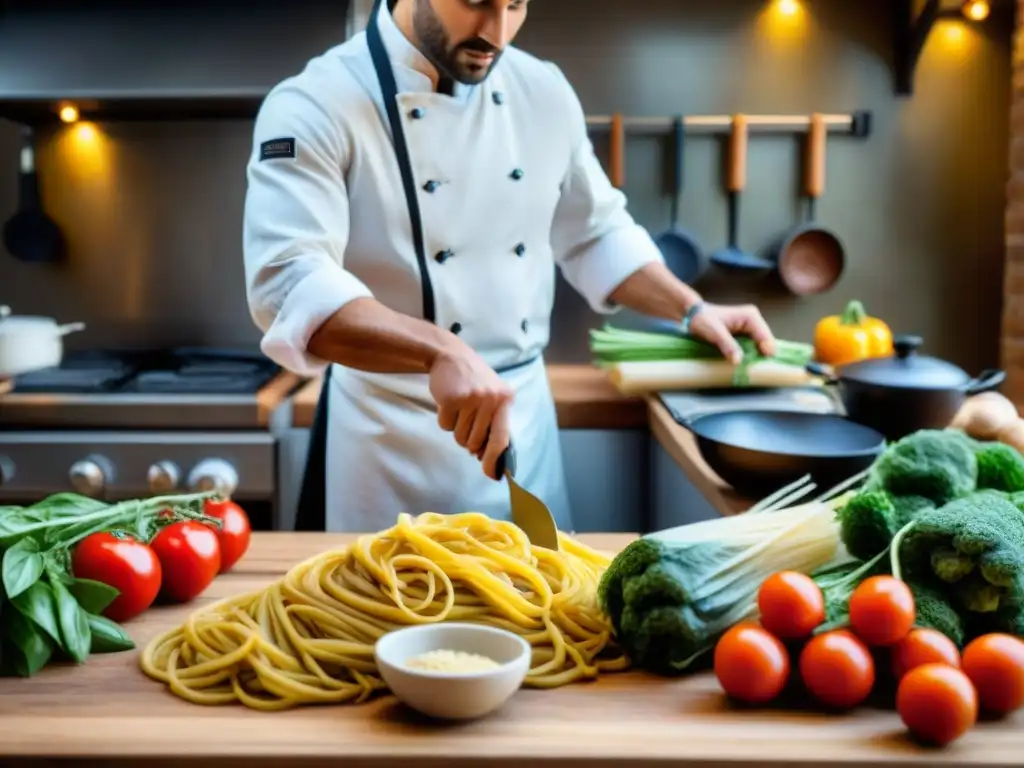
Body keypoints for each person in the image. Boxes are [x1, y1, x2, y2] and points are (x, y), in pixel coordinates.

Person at [242, 0, 777, 533]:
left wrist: (692, 308)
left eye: (516, 4)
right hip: (388, 446)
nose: (497, 32)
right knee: (382, 613)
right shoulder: (315, 102)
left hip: (524, 429)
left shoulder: (541, 90)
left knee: (540, 607)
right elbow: (289, 282)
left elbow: (595, 232)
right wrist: (439, 352)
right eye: (476, 1)